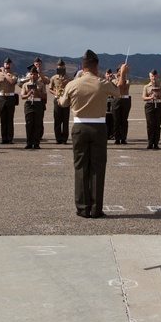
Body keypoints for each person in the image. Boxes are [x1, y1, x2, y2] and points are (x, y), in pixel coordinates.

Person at [58, 50, 129, 218]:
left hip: (79, 127)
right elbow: (120, 93)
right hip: (98, 127)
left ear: (83, 67)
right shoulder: (102, 83)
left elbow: (62, 103)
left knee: (81, 167)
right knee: (97, 168)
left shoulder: (73, 84)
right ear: (96, 66)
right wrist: (123, 75)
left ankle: (83, 208)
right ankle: (96, 208)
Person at [0, 58, 19, 144]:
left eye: (9, 64)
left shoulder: (14, 74)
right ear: (4, 64)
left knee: (10, 118)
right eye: (6, 64)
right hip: (1, 97)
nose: (7, 65)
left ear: (11, 65)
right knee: (3, 118)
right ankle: (4, 138)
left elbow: (12, 81)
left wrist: (4, 73)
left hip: (10, 97)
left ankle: (10, 138)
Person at [21, 66, 48, 149]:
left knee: (37, 124)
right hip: (29, 103)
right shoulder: (25, 85)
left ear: (37, 75)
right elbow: (22, 96)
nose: (33, 76)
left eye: (35, 74)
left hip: (38, 103)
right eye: (32, 74)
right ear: (29, 75)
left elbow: (44, 96)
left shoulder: (41, 85)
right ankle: (29, 142)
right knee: (29, 124)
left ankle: (36, 143)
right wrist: (28, 94)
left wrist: (37, 91)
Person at [49, 59, 72, 144]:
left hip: (66, 99)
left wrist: (67, 83)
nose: (61, 68)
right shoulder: (54, 78)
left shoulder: (69, 77)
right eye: (59, 67)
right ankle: (58, 138)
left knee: (65, 120)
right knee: (57, 119)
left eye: (62, 67)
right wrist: (56, 93)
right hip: (57, 99)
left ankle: (65, 138)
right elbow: (50, 89)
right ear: (57, 67)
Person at [142, 69, 161, 149]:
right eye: (152, 76)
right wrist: (151, 97)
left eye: (155, 76)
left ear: (157, 76)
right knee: (150, 124)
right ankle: (150, 142)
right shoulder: (146, 87)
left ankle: (156, 143)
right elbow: (144, 98)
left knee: (157, 125)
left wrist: (158, 94)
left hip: (158, 104)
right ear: (150, 77)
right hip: (150, 104)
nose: (154, 78)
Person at [113, 63, 132, 145]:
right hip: (116, 99)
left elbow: (124, 86)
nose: (122, 72)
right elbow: (118, 87)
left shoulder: (127, 80)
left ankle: (123, 138)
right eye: (120, 71)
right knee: (116, 120)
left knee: (124, 120)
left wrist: (123, 75)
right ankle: (117, 138)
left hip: (125, 99)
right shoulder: (113, 81)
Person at [104, 68, 116, 140]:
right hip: (106, 104)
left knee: (112, 120)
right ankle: (106, 134)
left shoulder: (114, 82)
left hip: (112, 102)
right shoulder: (103, 83)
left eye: (110, 74)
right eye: (107, 74)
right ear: (105, 75)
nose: (109, 76)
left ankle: (112, 134)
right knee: (106, 120)